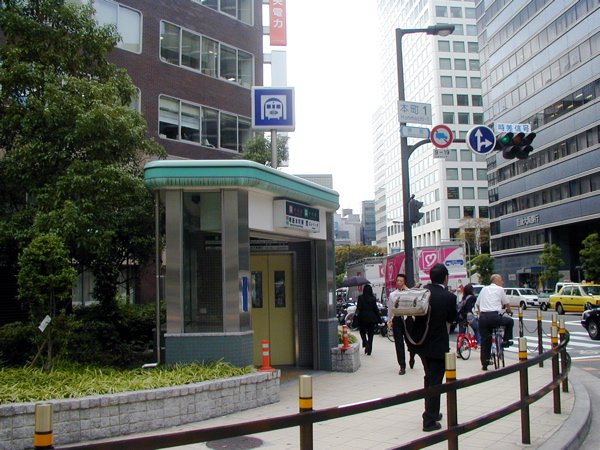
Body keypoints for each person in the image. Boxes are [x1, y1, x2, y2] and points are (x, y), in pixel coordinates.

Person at [405, 263, 457, 432]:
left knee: (429, 377)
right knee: (435, 381)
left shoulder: (422, 292)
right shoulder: (448, 297)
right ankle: (429, 420)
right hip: (438, 345)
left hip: (421, 343)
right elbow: (452, 319)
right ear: (446, 278)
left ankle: (431, 410)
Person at [475, 274, 514, 371]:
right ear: (496, 281)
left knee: (485, 340)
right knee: (510, 322)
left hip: (483, 317)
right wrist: (510, 310)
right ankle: (505, 341)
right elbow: (506, 302)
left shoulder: (484, 289)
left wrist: (480, 313)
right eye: (501, 280)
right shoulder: (500, 289)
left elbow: (477, 303)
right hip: (494, 317)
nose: (502, 282)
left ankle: (485, 363)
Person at [387, 273, 416, 374]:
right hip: (398, 319)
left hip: (408, 318)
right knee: (399, 343)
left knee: (410, 341)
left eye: (401, 281)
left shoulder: (409, 292)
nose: (399, 283)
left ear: (404, 282)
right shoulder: (393, 295)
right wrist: (389, 320)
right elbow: (390, 308)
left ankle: (412, 356)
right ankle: (402, 365)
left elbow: (413, 301)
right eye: (397, 281)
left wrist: (407, 290)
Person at [356, 284, 381, 355]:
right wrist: (379, 319)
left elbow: (358, 308)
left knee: (362, 331)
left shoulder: (361, 298)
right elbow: (375, 309)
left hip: (362, 318)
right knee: (371, 334)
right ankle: (369, 349)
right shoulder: (373, 298)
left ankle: (365, 341)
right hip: (372, 318)